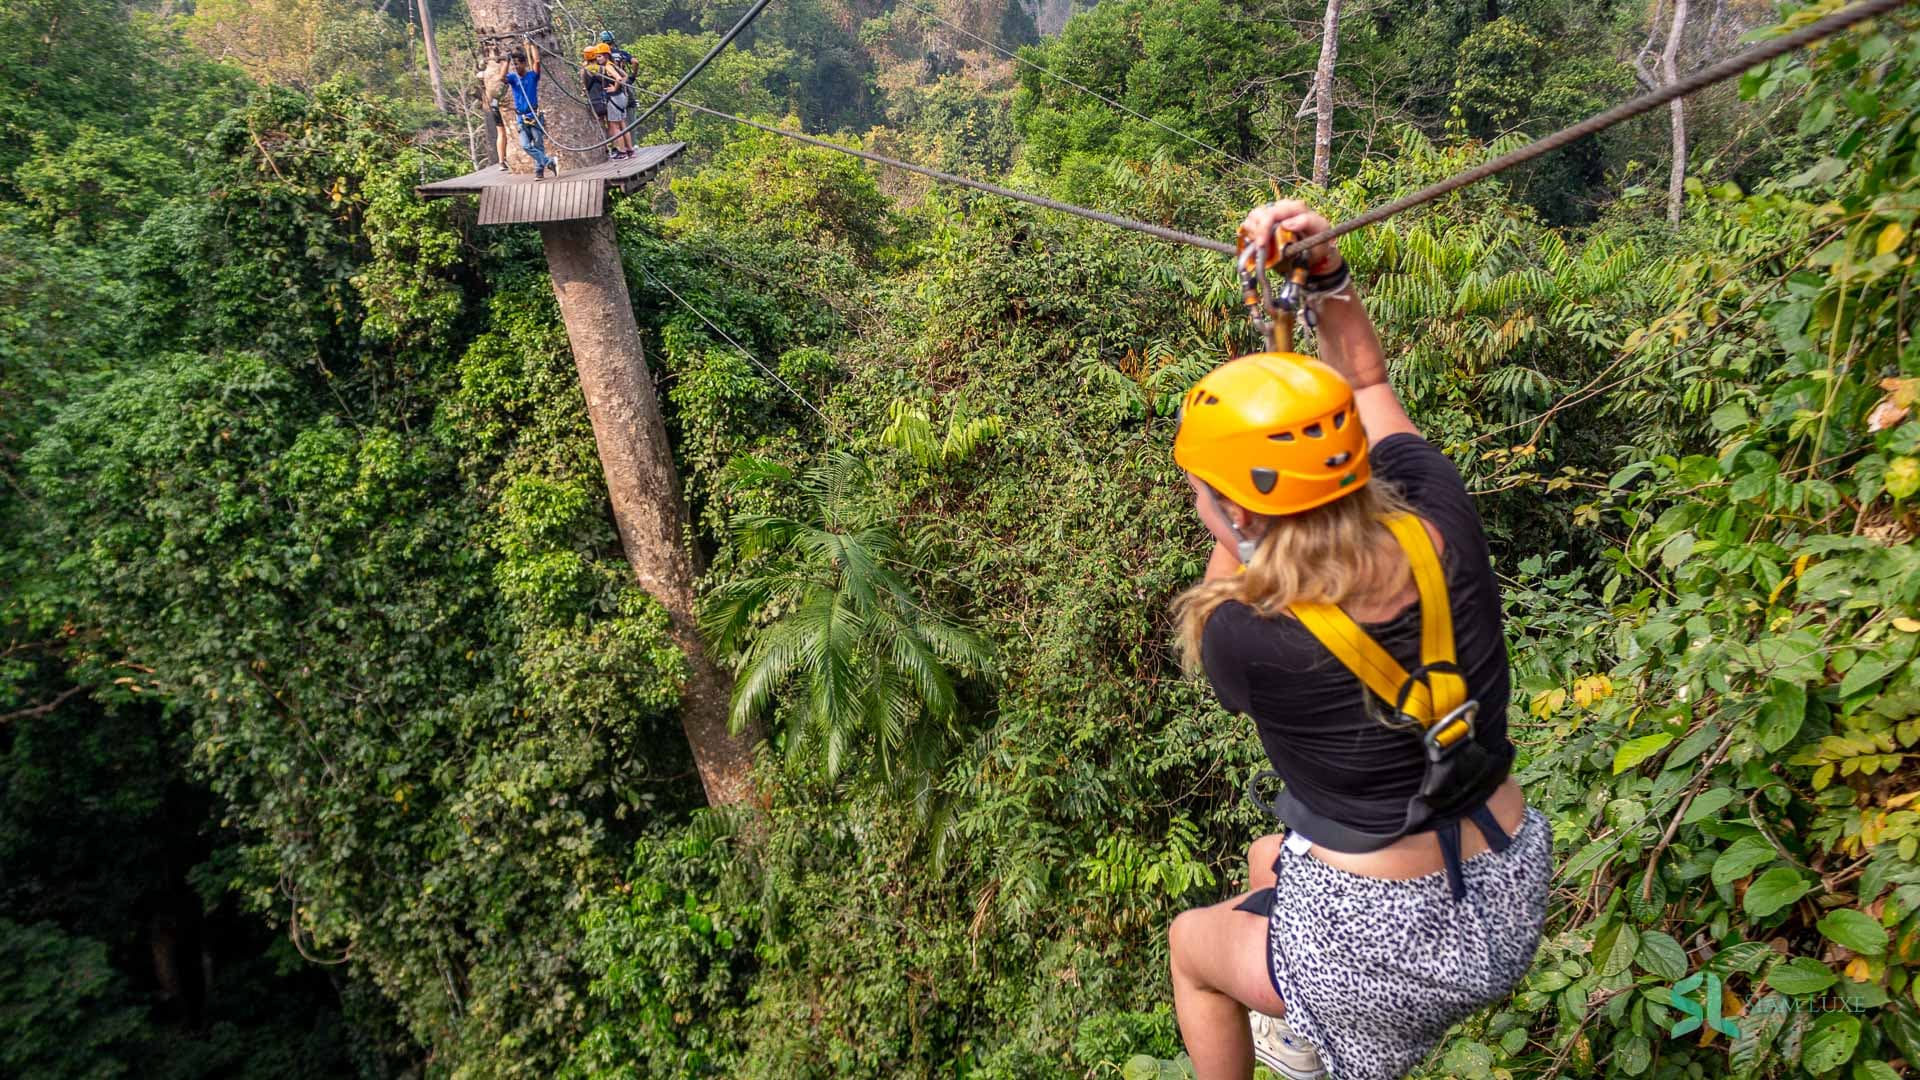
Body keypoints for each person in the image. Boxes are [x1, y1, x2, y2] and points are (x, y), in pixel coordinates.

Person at [1165, 199, 1552, 1080]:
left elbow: (1236, 573)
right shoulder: (1440, 516)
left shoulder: (1244, 636)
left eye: (1203, 490)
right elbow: (1369, 383)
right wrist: (1326, 276)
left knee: (1191, 946)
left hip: (1383, 955)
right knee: (1266, 856)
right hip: (1505, 888)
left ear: (1236, 512)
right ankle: (1306, 1033)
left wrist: (1238, 514)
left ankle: (1305, 1036)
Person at [500, 45, 556, 180]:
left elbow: (537, 61)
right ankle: (549, 161)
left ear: (524, 63)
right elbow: (502, 78)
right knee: (525, 145)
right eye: (514, 64)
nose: (515, 67)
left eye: (517, 64)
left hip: (534, 115)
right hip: (521, 117)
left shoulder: (532, 76)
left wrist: (531, 45)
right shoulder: (513, 78)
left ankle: (539, 172)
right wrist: (507, 61)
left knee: (538, 144)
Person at [474, 55, 509, 171]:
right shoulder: (498, 73)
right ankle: (503, 160)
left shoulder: (484, 75)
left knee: (501, 133)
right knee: (505, 132)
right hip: (502, 104)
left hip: (494, 104)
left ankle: (501, 161)